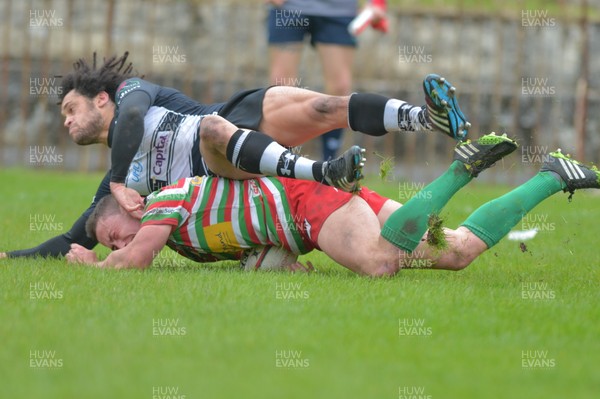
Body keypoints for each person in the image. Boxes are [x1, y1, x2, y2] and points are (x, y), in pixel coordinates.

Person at [1, 52, 470, 259]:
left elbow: (132, 120)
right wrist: (11, 257)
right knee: (210, 134)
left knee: (325, 106)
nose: (65, 122)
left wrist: (122, 176)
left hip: (235, 117)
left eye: (70, 109)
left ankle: (426, 119)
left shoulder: (130, 96)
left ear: (100, 98)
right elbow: (74, 239)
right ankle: (326, 172)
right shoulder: (117, 187)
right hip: (221, 165)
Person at [66, 133, 600, 275]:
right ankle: (554, 176)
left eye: (116, 236)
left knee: (380, 263)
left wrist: (92, 264)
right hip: (309, 217)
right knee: (456, 250)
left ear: (133, 209)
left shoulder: (166, 201)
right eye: (112, 246)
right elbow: (253, 248)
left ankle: (461, 168)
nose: (123, 247)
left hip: (305, 202)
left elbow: (132, 262)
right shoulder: (188, 245)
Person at [267, 0, 387, 160]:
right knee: (280, 88)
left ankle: (329, 166)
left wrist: (376, 3)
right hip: (290, 7)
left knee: (340, 88)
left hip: (339, 11)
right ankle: (279, 163)